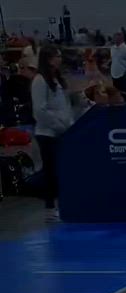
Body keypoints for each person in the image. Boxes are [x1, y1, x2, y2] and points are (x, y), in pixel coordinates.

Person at [32, 45, 74, 222]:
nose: (60, 59)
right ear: (49, 59)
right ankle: (49, 208)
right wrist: (58, 125)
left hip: (62, 132)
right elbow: (39, 110)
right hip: (47, 134)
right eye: (57, 56)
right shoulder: (40, 81)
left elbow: (64, 106)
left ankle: (63, 204)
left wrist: (68, 123)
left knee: (61, 170)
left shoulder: (57, 79)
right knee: (50, 171)